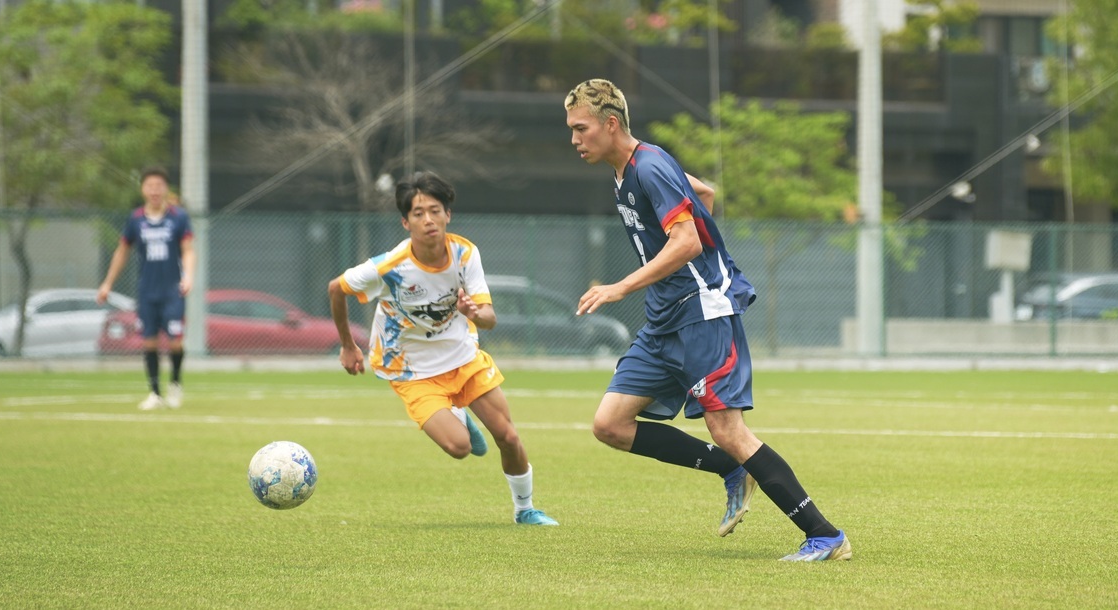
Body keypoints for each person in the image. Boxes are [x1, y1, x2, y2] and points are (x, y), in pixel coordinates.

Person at [564, 78, 850, 561]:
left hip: (702, 315)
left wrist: (622, 286)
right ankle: (732, 470)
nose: (574, 139)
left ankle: (825, 535)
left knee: (728, 429)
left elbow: (689, 241)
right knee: (610, 424)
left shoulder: (650, 167)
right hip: (663, 320)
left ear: (611, 125)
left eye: (580, 128)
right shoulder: (629, 168)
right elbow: (704, 192)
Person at [327, 171, 558, 526]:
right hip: (410, 369)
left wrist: (473, 312)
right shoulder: (391, 266)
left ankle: (525, 509)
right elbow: (335, 289)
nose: (428, 219)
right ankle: (459, 414)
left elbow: (490, 319)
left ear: (448, 214)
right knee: (460, 447)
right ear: (405, 222)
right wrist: (347, 345)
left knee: (508, 436)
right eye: (418, 213)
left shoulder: (465, 254)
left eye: (435, 210)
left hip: (462, 357)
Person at [97, 166, 196, 411]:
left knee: (175, 341)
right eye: (149, 185)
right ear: (143, 189)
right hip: (147, 291)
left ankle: (175, 384)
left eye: (159, 186)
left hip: (172, 291)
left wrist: (189, 276)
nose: (154, 190)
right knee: (149, 342)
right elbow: (122, 251)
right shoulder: (136, 219)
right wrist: (107, 283)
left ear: (165, 189)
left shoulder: (178, 217)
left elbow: (188, 249)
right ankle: (154, 393)